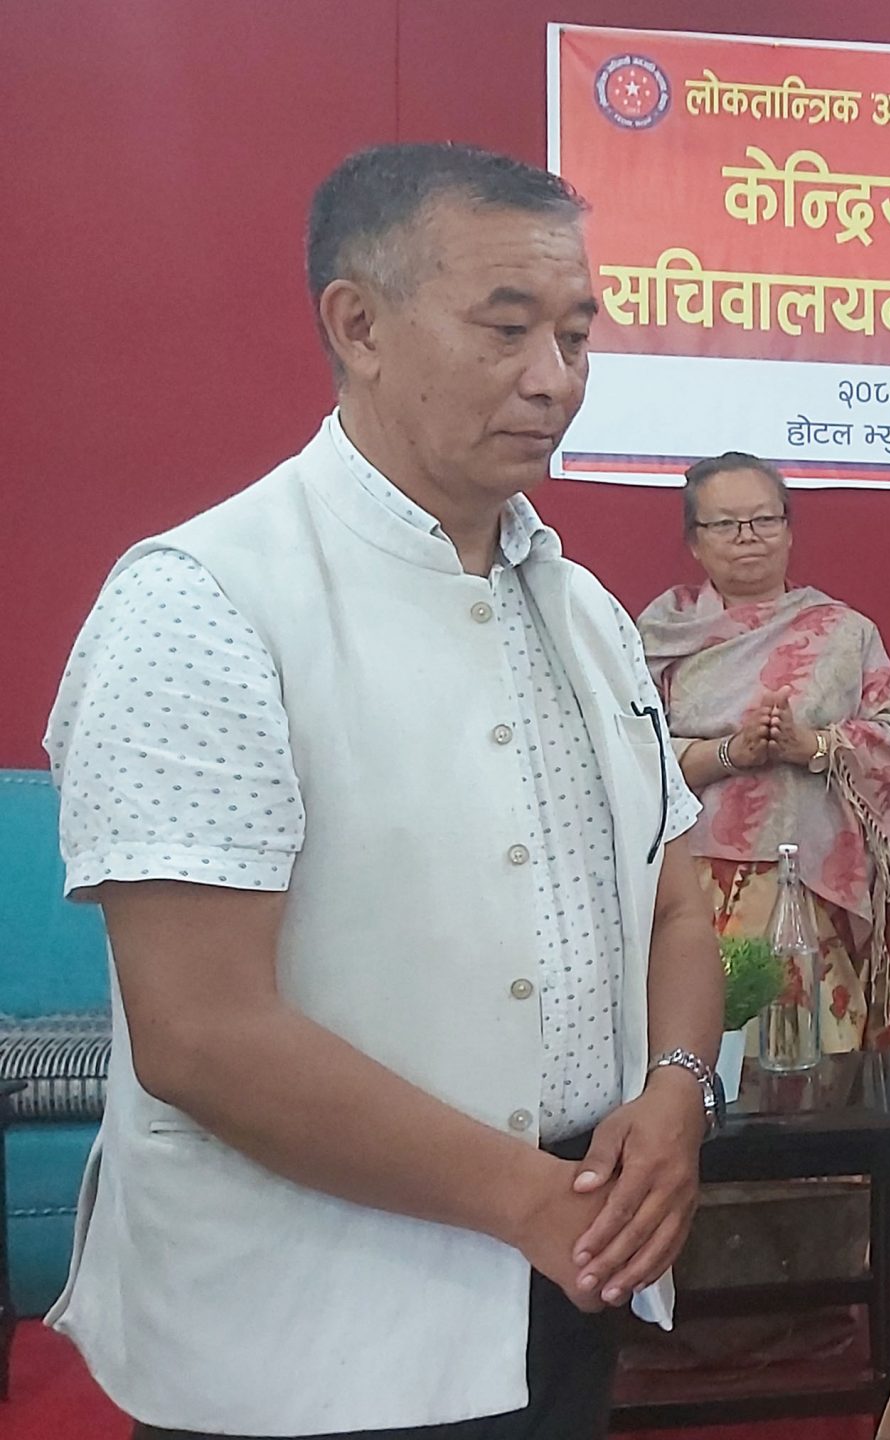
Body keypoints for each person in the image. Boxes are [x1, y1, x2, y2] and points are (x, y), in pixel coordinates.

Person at [42, 143, 723, 1439]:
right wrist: (522, 1198)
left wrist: (677, 1093)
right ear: (357, 325)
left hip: (568, 1269)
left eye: (577, 335)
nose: (554, 378)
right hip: (300, 1328)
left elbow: (676, 903)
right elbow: (200, 1033)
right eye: (506, 329)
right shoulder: (205, 601)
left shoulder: (583, 610)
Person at [640, 452, 890, 1060]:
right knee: (695, 1054)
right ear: (695, 542)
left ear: (789, 530)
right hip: (687, 887)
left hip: (811, 885)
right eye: (725, 524)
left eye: (764, 520)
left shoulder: (844, 633)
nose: (748, 537)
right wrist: (730, 753)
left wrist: (811, 746)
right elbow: (631, 760)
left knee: (810, 1060)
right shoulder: (656, 637)